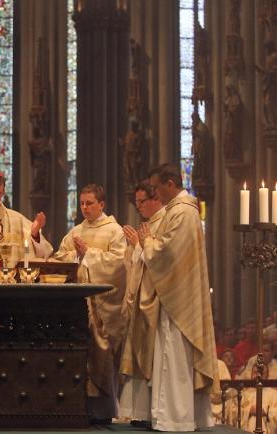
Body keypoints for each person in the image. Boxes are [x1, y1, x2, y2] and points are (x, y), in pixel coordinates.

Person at [135, 163, 218, 431]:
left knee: (175, 356)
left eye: (158, 188)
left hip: (178, 301)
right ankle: (174, 416)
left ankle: (177, 418)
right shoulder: (181, 211)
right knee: (172, 356)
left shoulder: (182, 213)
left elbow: (166, 253)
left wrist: (147, 241)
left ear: (170, 184)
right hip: (178, 295)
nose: (156, 194)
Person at [55, 184, 126, 423]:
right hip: (78, 308)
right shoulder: (75, 231)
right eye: (82, 203)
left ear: (102, 204)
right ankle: (78, 409)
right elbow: (59, 259)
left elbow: (119, 265)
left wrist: (88, 255)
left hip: (103, 309)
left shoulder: (114, 231)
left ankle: (104, 412)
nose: (84, 207)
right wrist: (76, 256)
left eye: (89, 203)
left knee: (102, 360)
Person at [119, 182, 165, 425]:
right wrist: (135, 247)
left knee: (150, 355)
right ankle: (138, 411)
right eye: (136, 203)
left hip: (154, 300)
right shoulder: (151, 224)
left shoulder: (164, 221)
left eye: (141, 202)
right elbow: (139, 260)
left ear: (155, 198)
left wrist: (139, 245)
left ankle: (148, 412)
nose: (138, 208)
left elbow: (158, 260)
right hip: (140, 298)